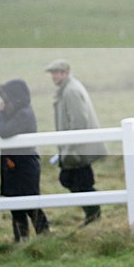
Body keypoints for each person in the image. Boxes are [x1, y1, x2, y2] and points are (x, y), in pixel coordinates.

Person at [45, 59, 107, 226]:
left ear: (65, 73)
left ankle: (93, 215)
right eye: (52, 73)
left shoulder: (70, 91)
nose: (53, 77)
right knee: (75, 180)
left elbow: (78, 121)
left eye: (56, 73)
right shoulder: (67, 88)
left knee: (75, 180)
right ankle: (92, 215)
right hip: (76, 147)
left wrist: (69, 146)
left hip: (77, 148)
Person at [0, 79, 50, 242]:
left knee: (30, 204)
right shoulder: (20, 112)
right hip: (14, 165)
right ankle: (22, 240)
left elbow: (4, 131)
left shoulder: (23, 114)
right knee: (16, 205)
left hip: (22, 166)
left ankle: (42, 237)